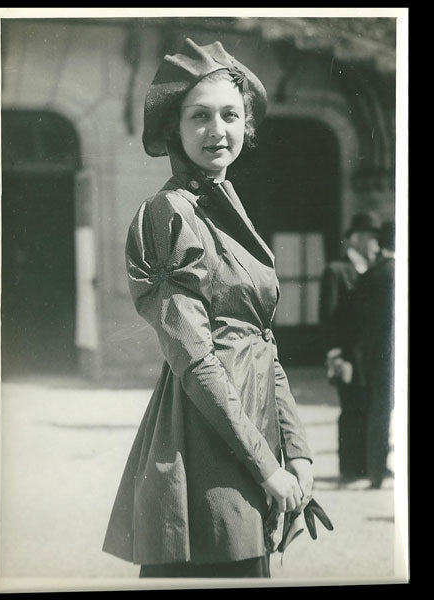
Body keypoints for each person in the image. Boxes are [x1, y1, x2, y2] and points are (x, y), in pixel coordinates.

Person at [102, 38, 316, 579]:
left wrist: (300, 451)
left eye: (230, 114)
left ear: (247, 124)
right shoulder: (168, 214)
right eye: (199, 116)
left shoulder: (226, 208)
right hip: (204, 444)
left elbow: (262, 341)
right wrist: (268, 468)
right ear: (174, 126)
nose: (217, 130)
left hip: (253, 430)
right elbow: (196, 359)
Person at [319, 210, 381, 483]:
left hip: (369, 354)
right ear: (356, 239)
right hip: (346, 353)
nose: (375, 244)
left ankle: (367, 464)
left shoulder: (374, 271)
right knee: (350, 406)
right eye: (371, 238)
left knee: (368, 404)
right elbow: (328, 315)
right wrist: (334, 354)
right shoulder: (337, 271)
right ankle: (348, 466)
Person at [353, 220, 395, 489]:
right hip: (392, 353)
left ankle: (376, 472)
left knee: (379, 411)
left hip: (375, 353)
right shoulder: (394, 272)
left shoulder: (374, 273)